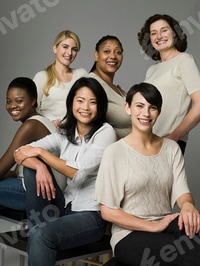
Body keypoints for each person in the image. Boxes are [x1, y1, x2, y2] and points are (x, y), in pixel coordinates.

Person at [14, 77, 117, 266]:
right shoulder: (65, 134)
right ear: (71, 103)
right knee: (33, 167)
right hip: (62, 208)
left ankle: (38, 232)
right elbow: (20, 152)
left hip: (90, 216)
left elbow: (80, 173)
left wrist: (42, 153)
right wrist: (40, 165)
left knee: (39, 235)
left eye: (92, 102)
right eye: (80, 100)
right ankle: (39, 231)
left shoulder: (105, 132)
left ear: (100, 106)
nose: (85, 107)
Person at [95, 82, 200, 266]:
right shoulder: (115, 152)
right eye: (140, 106)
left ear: (158, 112)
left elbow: (182, 192)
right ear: (127, 108)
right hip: (129, 234)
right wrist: (152, 226)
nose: (146, 113)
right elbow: (108, 211)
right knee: (184, 252)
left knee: (196, 233)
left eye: (152, 108)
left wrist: (188, 206)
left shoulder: (171, 148)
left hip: (166, 223)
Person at [137, 14, 200, 154]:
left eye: (164, 30)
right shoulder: (152, 69)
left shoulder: (184, 60)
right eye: (153, 33)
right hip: (146, 142)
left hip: (169, 143)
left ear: (175, 33)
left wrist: (174, 136)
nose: (159, 36)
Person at [0, 77, 58, 211]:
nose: (12, 106)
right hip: (40, 190)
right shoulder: (41, 120)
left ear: (33, 101)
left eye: (19, 101)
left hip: (40, 194)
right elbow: (16, 172)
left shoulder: (31, 126)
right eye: (8, 101)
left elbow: (1, 168)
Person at [33, 30, 88, 130]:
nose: (69, 53)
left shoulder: (81, 74)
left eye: (74, 49)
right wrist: (48, 122)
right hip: (47, 129)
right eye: (65, 47)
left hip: (74, 130)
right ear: (55, 48)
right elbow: (32, 110)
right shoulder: (41, 77)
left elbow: (93, 101)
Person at [88, 35, 132, 139]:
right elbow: (93, 127)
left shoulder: (117, 89)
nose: (113, 56)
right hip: (117, 150)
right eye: (107, 51)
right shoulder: (91, 85)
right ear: (96, 55)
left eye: (118, 52)